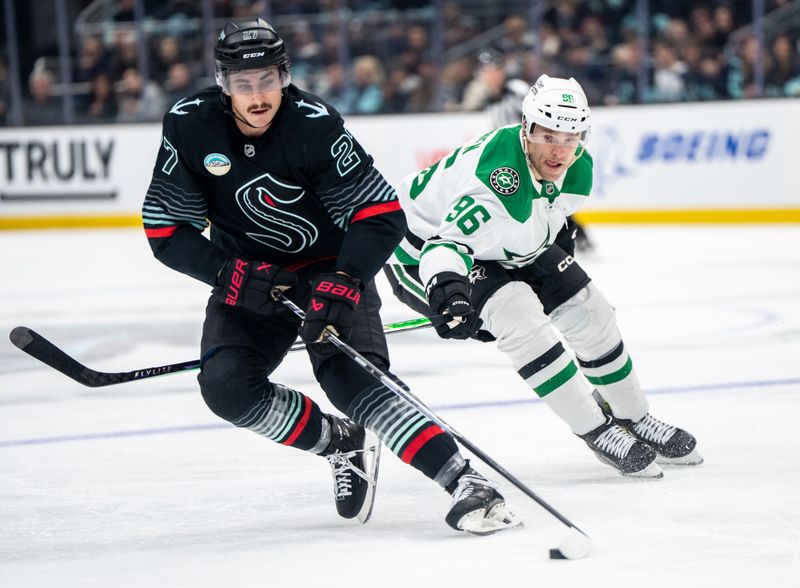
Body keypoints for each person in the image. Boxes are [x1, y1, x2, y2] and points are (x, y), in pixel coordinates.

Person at [142, 18, 518, 535]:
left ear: (285, 76)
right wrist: (227, 272)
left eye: (268, 80)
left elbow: (381, 215)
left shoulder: (314, 125)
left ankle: (465, 482)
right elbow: (167, 231)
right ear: (223, 82)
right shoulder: (190, 125)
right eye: (244, 84)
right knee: (227, 389)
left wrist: (345, 282)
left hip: (328, 268)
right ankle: (339, 442)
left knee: (355, 381)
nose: (258, 96)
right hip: (248, 276)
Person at [384, 74, 702, 479]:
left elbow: (545, 213)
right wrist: (449, 290)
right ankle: (595, 429)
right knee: (518, 313)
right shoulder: (497, 182)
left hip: (500, 243)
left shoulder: (577, 167)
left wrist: (555, 236)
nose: (559, 150)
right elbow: (443, 248)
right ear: (527, 130)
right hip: (420, 254)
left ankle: (634, 417)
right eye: (548, 135)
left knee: (591, 309)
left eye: (570, 137)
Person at [468, 50, 594, 252]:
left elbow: (538, 115)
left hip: (536, 151)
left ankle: (574, 237)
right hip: (518, 155)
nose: (491, 75)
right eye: (486, 71)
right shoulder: (489, 100)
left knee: (550, 195)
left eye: (495, 70)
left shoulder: (516, 89)